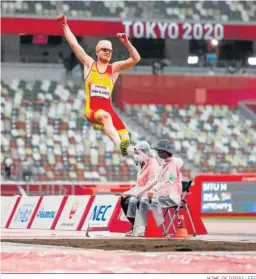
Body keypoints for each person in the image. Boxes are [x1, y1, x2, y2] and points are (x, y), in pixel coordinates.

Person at [57, 14, 141, 156]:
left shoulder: (113, 69)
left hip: (109, 111)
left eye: (110, 51)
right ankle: (119, 145)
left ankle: (107, 131)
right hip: (92, 111)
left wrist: (127, 43)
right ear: (97, 52)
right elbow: (74, 44)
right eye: (104, 49)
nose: (108, 52)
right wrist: (65, 25)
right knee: (106, 117)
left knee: (126, 136)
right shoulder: (89, 64)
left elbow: (136, 58)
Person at [134, 139, 183, 236]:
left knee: (153, 201)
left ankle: (158, 226)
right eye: (158, 151)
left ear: (167, 151)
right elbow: (155, 180)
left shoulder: (172, 164)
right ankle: (142, 228)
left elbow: (169, 181)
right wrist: (148, 189)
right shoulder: (163, 163)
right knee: (144, 200)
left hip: (172, 196)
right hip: (163, 195)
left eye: (161, 151)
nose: (159, 153)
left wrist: (154, 189)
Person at [120, 141, 159, 236]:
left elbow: (151, 184)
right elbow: (138, 185)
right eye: (136, 153)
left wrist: (137, 193)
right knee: (124, 199)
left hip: (150, 193)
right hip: (141, 192)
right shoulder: (142, 164)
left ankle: (142, 227)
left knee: (132, 200)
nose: (136, 156)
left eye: (138, 153)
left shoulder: (153, 164)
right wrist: (128, 192)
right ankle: (135, 226)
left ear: (144, 152)